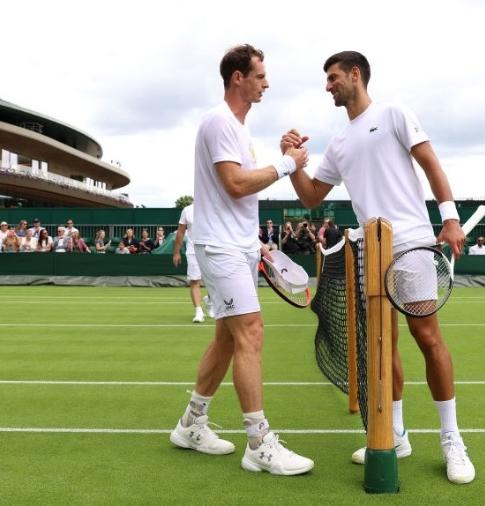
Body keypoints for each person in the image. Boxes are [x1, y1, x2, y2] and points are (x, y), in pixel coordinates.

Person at [282, 50, 474, 484]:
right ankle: (397, 433)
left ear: (355, 75)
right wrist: (294, 162)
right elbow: (312, 195)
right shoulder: (337, 143)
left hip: (410, 244)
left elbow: (431, 164)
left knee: (427, 336)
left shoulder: (394, 113)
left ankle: (452, 439)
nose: (328, 85)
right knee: (382, 346)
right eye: (326, 80)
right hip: (370, 250)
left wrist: (450, 218)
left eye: (333, 77)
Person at [170, 44, 314, 476]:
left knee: (228, 339)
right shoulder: (218, 121)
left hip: (237, 245)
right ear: (238, 77)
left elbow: (234, 199)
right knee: (251, 332)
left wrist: (259, 244)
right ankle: (259, 442)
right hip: (220, 249)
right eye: (259, 76)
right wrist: (287, 164)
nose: (265, 83)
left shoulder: (235, 129)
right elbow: (234, 184)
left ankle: (191, 424)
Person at [173, 203, 212, 323]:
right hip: (193, 250)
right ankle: (198, 311)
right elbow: (180, 232)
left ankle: (210, 301)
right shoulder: (187, 210)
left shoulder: (214, 207)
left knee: (215, 280)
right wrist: (176, 252)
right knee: (195, 280)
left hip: (213, 250)